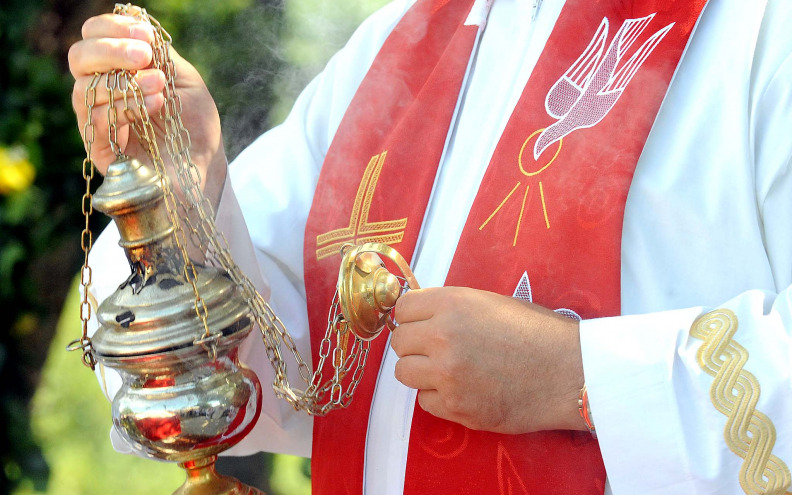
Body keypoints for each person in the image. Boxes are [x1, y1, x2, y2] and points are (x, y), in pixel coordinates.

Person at [69, 0, 792, 493]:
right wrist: (184, 197)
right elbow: (286, 370)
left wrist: (582, 376)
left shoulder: (762, 35)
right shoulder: (404, 42)